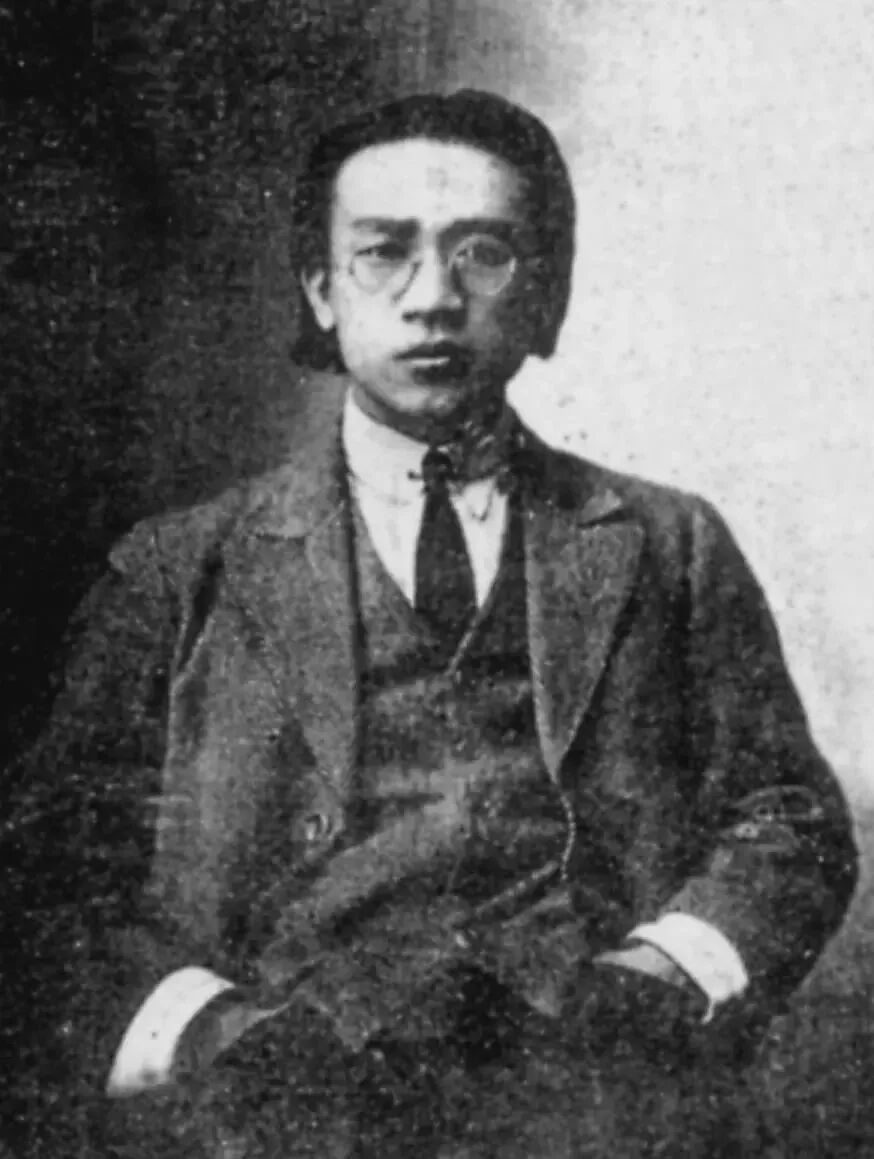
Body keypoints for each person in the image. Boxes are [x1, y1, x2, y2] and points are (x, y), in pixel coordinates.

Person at [2, 89, 858, 1158]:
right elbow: (46, 874)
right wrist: (210, 1028)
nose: (433, 299)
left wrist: (660, 971)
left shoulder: (670, 544)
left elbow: (787, 818)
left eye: (483, 254)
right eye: (383, 253)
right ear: (320, 290)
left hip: (593, 1098)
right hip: (269, 1109)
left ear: (542, 291)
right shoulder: (176, 569)